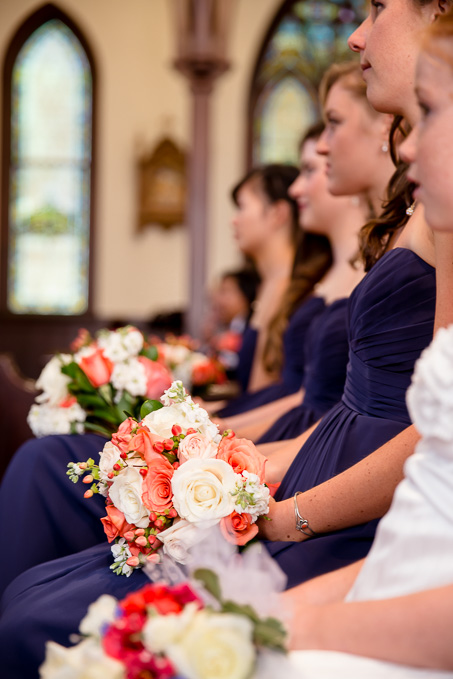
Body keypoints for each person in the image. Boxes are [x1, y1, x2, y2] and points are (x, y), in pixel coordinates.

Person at [285, 17, 453, 676]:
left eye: (431, 112)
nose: (404, 151)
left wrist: (284, 616)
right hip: (387, 560)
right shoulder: (431, 210)